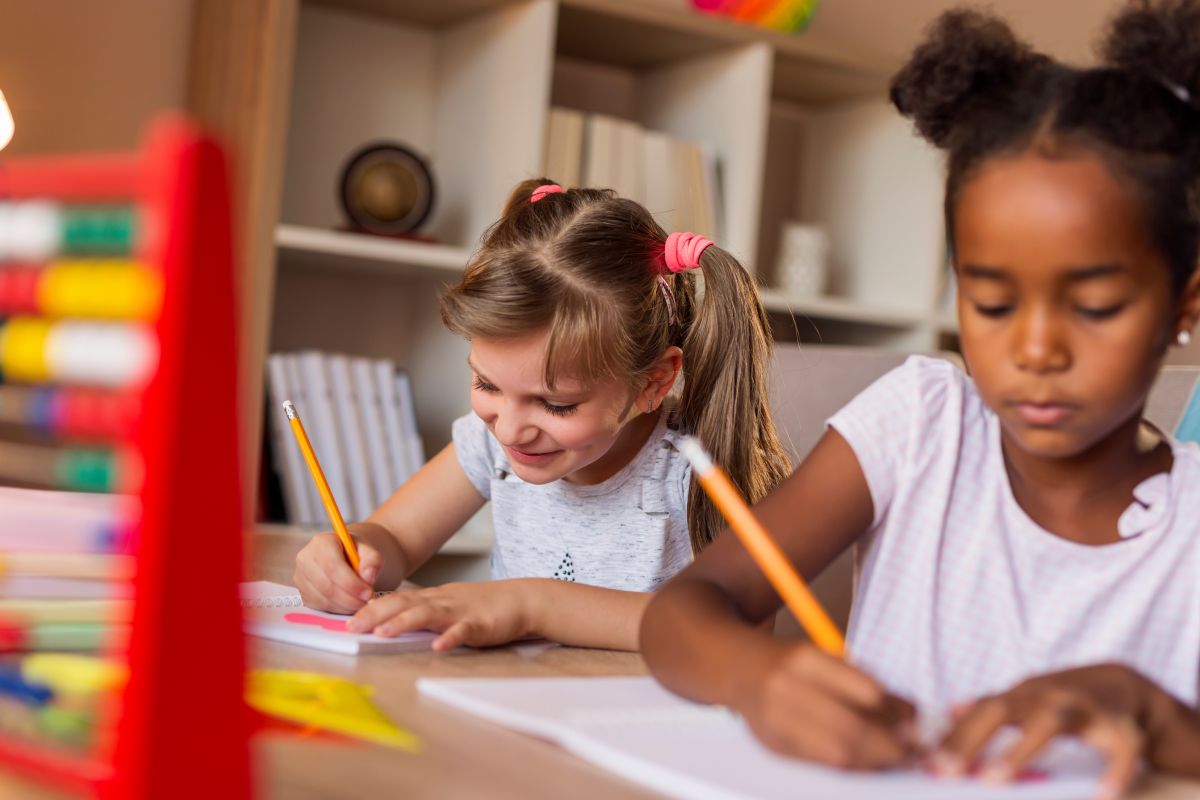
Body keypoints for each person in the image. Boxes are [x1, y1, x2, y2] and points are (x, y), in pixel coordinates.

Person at [640, 3, 1200, 796]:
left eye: (1096, 307)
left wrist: (1151, 714)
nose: (1036, 351)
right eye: (994, 305)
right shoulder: (922, 425)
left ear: (1184, 306)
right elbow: (685, 611)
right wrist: (755, 677)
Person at [293, 179, 790, 652]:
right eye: (487, 384)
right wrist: (348, 556)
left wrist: (532, 605)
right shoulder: (490, 443)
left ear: (653, 382)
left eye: (556, 404)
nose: (509, 429)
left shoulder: (698, 466)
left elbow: (732, 624)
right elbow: (395, 539)